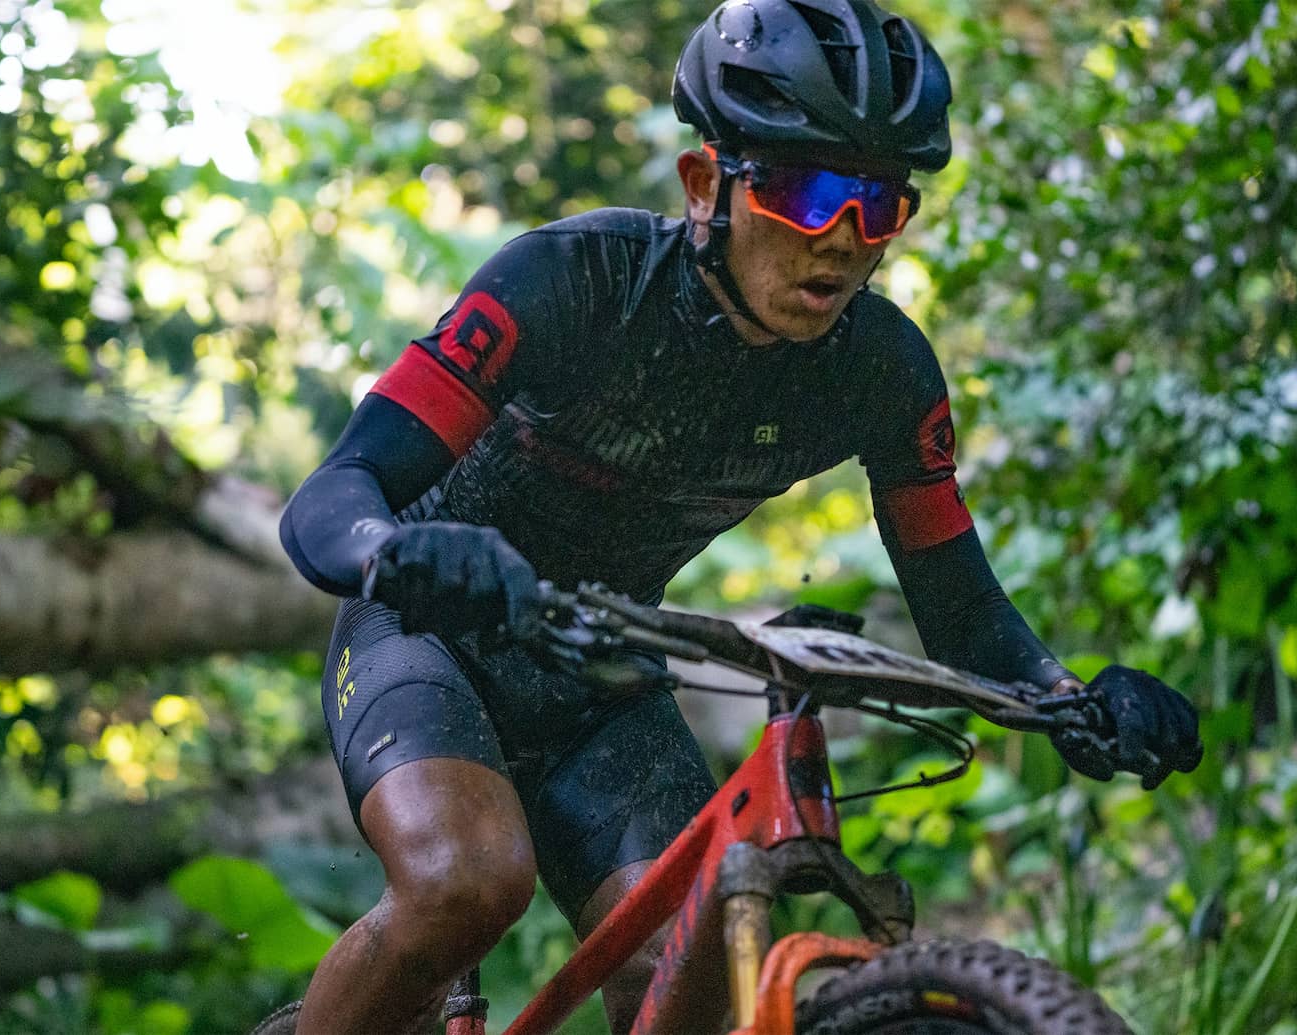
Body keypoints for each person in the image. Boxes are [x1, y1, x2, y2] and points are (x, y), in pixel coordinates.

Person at [277, 0, 1203, 1031]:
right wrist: (396, 549)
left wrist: (1079, 703)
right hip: (428, 630)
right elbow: (332, 494)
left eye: (879, 205)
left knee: (696, 958)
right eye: (806, 194)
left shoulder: (882, 372)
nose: (845, 240)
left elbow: (963, 614)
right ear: (704, 182)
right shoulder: (571, 281)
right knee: (465, 885)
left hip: (599, 675)